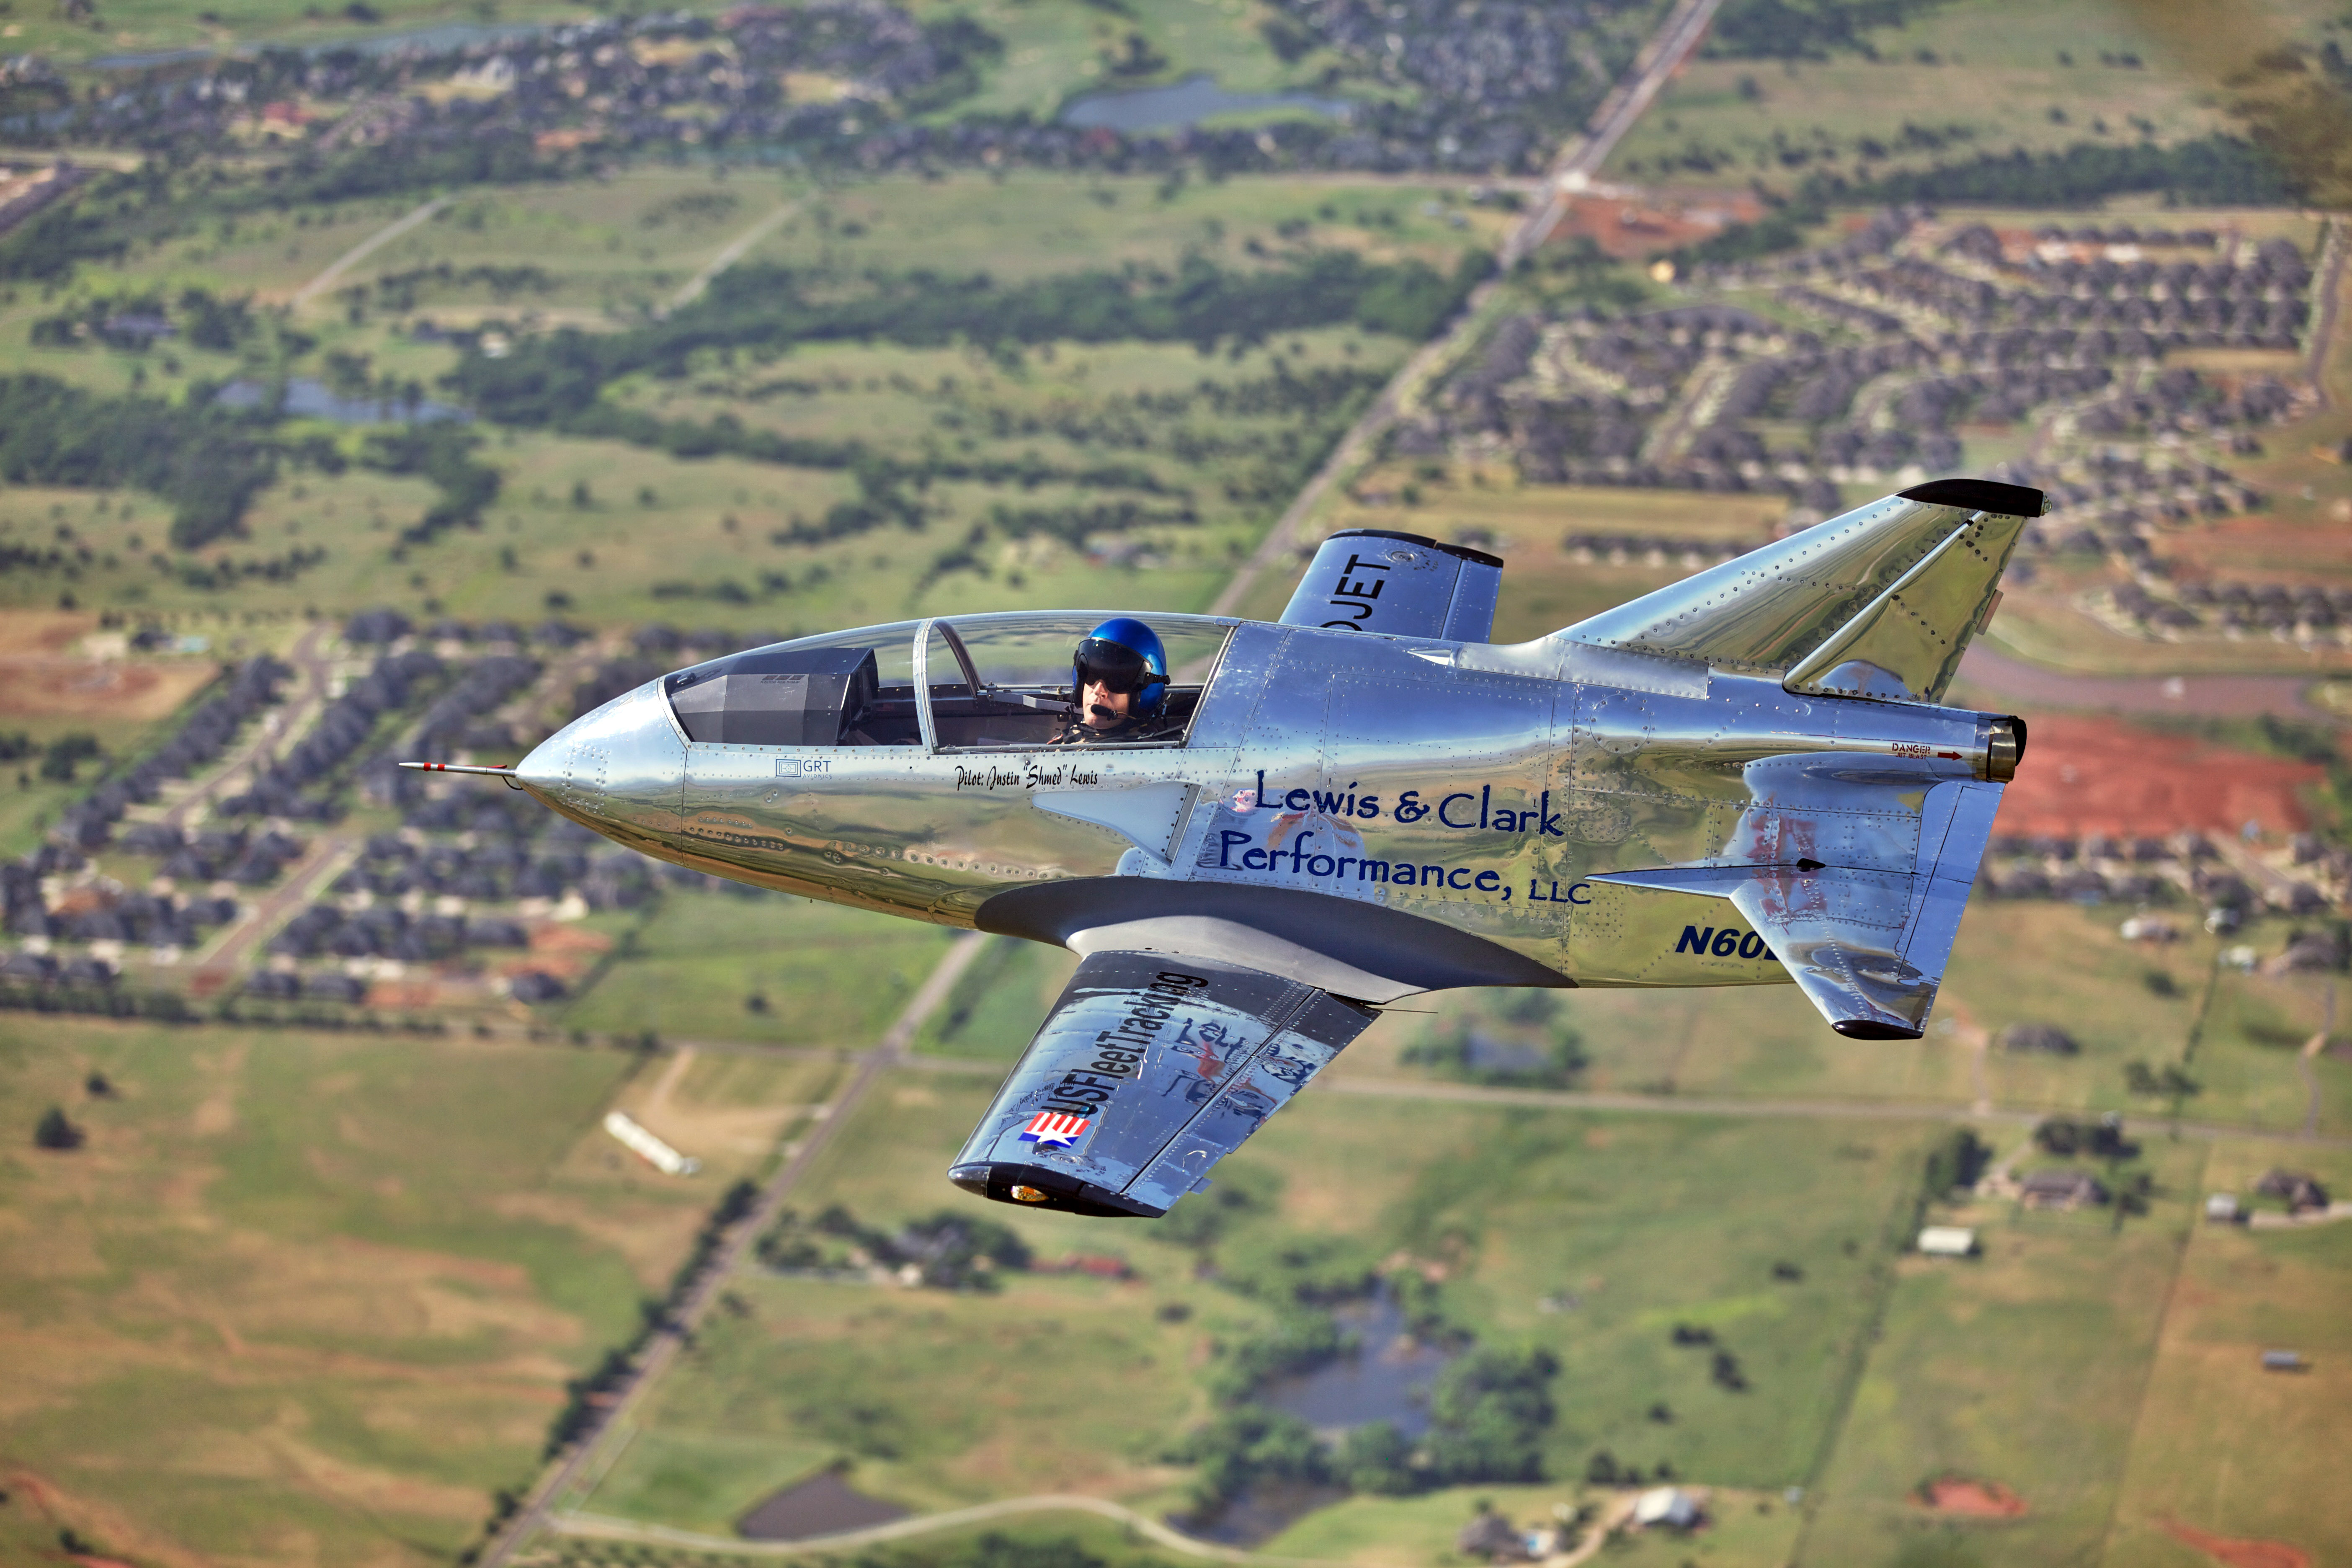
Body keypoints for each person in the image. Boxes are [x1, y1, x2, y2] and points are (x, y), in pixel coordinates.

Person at [1054, 618, 1179, 744]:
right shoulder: (1067, 740)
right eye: (1090, 674)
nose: (1098, 691)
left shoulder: (1158, 751)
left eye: (1116, 681)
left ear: (1143, 694)